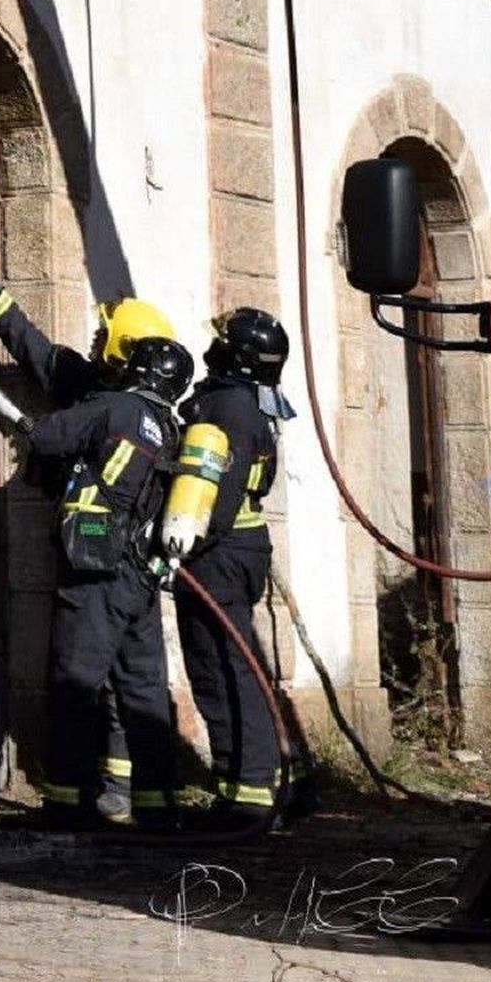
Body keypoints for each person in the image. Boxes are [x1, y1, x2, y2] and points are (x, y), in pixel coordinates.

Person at [0, 261, 192, 828]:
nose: (95, 340)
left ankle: (67, 801)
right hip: (139, 571)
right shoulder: (166, 423)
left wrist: (33, 431)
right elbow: (39, 353)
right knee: (141, 684)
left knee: (74, 678)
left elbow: (54, 433)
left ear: (128, 353)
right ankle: (154, 805)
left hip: (96, 564)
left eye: (105, 335)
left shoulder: (109, 405)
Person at [166, 306, 303, 827]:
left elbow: (218, 495)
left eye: (224, 342)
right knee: (236, 664)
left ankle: (247, 795)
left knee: (220, 668)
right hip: (241, 549)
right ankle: (263, 783)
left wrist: (183, 544)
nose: (214, 347)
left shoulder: (227, 407)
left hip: (218, 553)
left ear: (238, 356)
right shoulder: (251, 402)